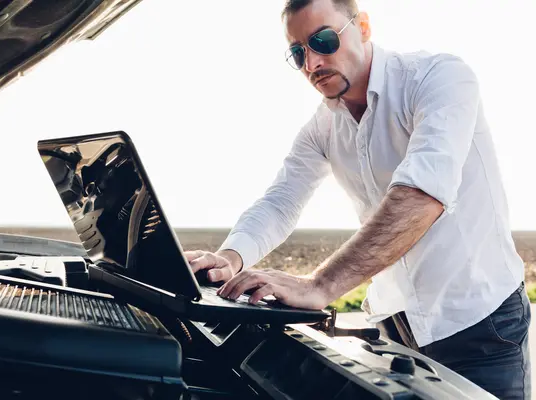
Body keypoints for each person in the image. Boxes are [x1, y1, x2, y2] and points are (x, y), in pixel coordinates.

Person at [184, 0, 531, 398]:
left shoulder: (439, 78)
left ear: (363, 26)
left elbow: (422, 196)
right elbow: (281, 200)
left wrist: (320, 284)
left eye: (323, 40)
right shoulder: (323, 126)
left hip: (481, 326)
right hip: (395, 327)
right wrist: (230, 258)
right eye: (298, 52)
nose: (312, 62)